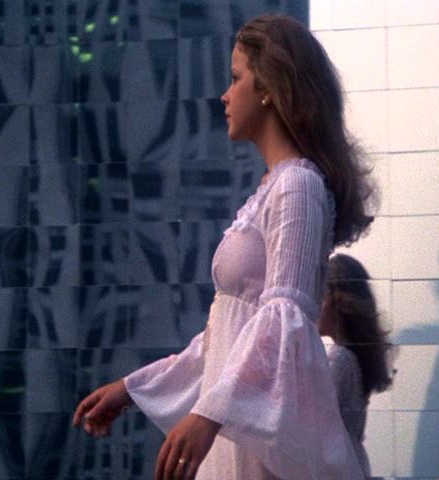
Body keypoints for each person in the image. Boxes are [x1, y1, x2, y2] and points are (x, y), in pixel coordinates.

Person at [72, 14, 376, 480]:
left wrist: (209, 414)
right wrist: (133, 388)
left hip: (253, 438)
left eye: (236, 78)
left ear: (269, 87)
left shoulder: (298, 185)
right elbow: (223, 338)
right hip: (231, 422)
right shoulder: (274, 187)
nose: (225, 95)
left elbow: (285, 322)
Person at [319, 254, 394, 478]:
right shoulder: (353, 358)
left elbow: (309, 422)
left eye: (320, 296)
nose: (314, 305)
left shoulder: (340, 360)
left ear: (338, 302)